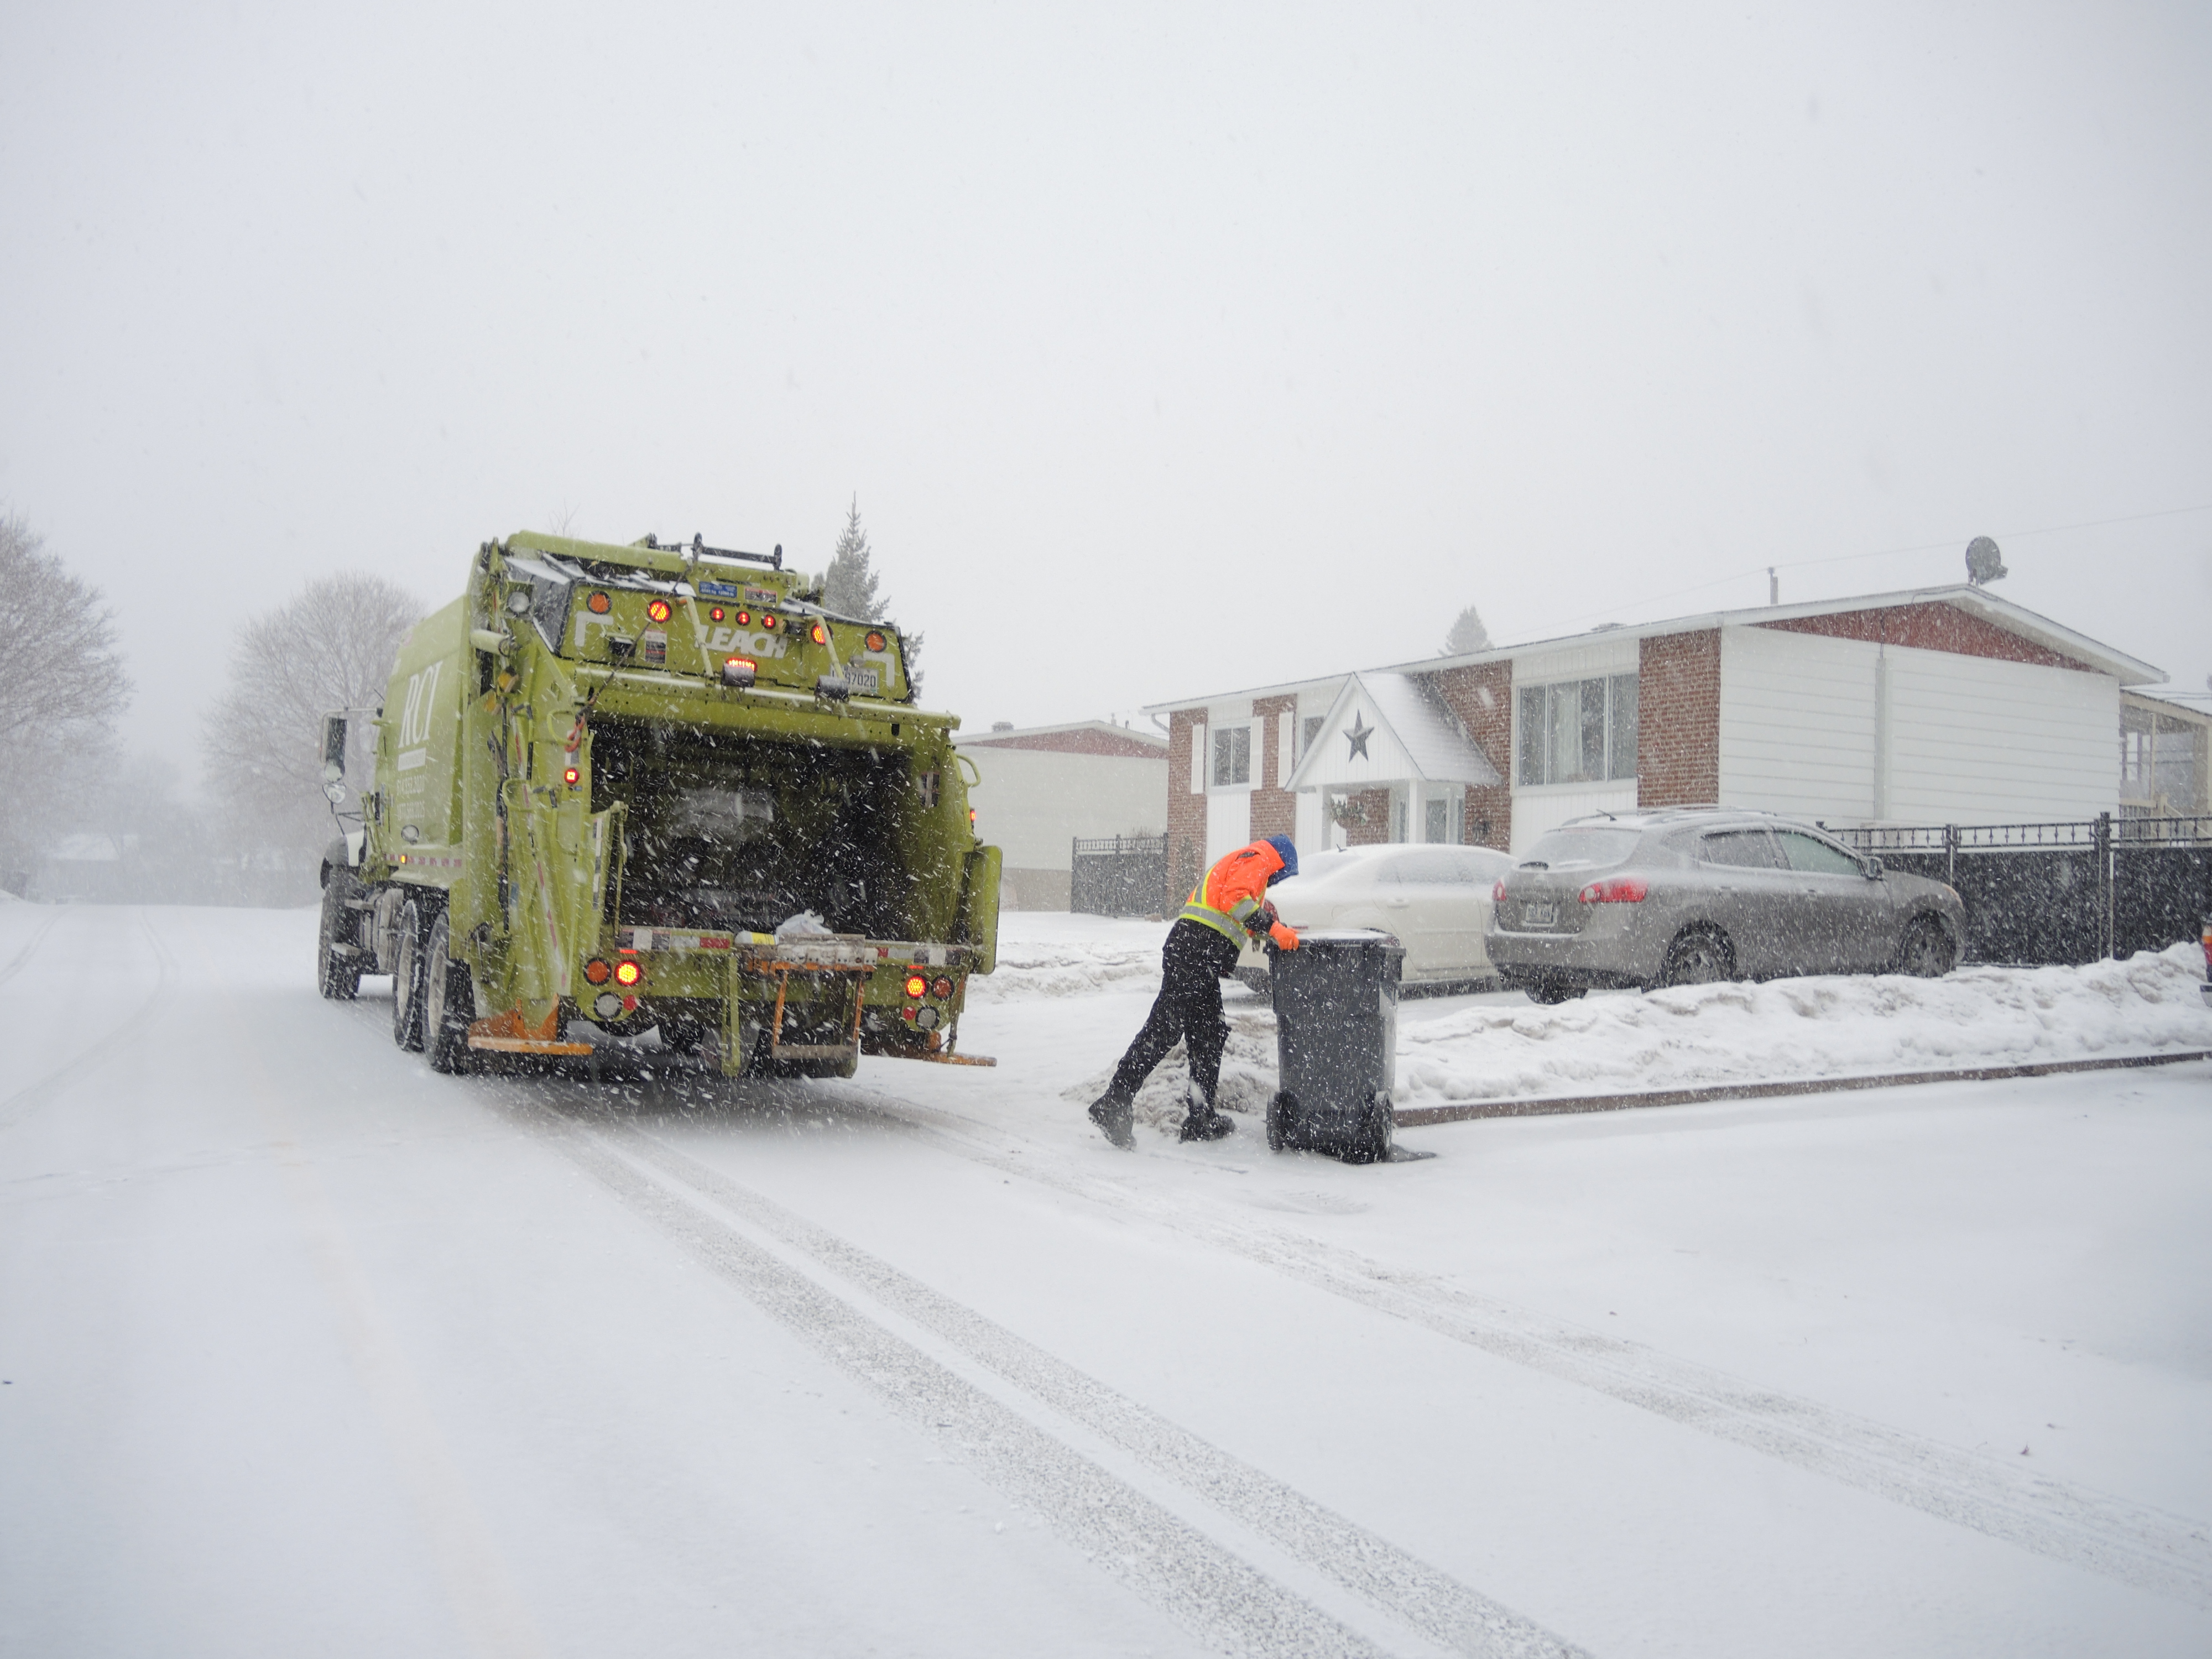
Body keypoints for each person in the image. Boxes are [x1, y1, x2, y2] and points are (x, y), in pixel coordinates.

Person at [1088, 835, 1301, 1147]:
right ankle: (1114, 1101)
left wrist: (1262, 928)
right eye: (1280, 876)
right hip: (1193, 952)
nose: (1276, 881)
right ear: (1281, 862)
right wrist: (1271, 927)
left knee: (1209, 1033)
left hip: (1198, 956)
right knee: (1164, 1029)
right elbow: (1235, 901)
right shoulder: (1258, 858)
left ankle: (1201, 1117)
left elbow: (1231, 910)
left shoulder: (1248, 863)